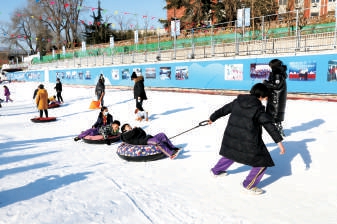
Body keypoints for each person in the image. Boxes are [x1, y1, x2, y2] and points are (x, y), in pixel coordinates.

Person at [208, 83, 286, 195]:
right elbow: (269, 126)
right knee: (262, 163)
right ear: (262, 96)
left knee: (232, 153)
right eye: (266, 97)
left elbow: (223, 110)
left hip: (232, 136)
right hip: (248, 141)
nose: (266, 99)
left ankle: (216, 171)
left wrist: (212, 118)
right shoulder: (258, 109)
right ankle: (249, 184)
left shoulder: (238, 101)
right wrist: (279, 143)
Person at [263, 59, 288, 136]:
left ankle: (278, 131)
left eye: (270, 66)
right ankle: (277, 130)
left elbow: (277, 86)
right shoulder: (279, 73)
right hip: (276, 97)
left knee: (274, 116)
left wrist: (266, 82)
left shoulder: (277, 74)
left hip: (276, 99)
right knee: (274, 116)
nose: (270, 67)